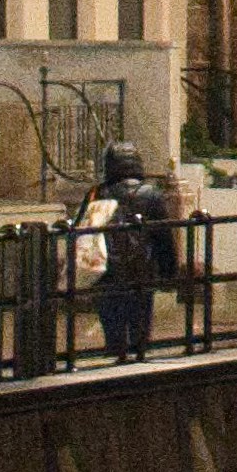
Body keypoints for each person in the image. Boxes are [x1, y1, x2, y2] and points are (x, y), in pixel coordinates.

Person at [93, 150, 179, 363]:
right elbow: (163, 236)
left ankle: (114, 356)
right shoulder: (151, 194)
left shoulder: (101, 193)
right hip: (141, 269)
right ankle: (139, 355)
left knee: (113, 322)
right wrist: (169, 272)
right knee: (139, 320)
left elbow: (87, 231)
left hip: (108, 270)